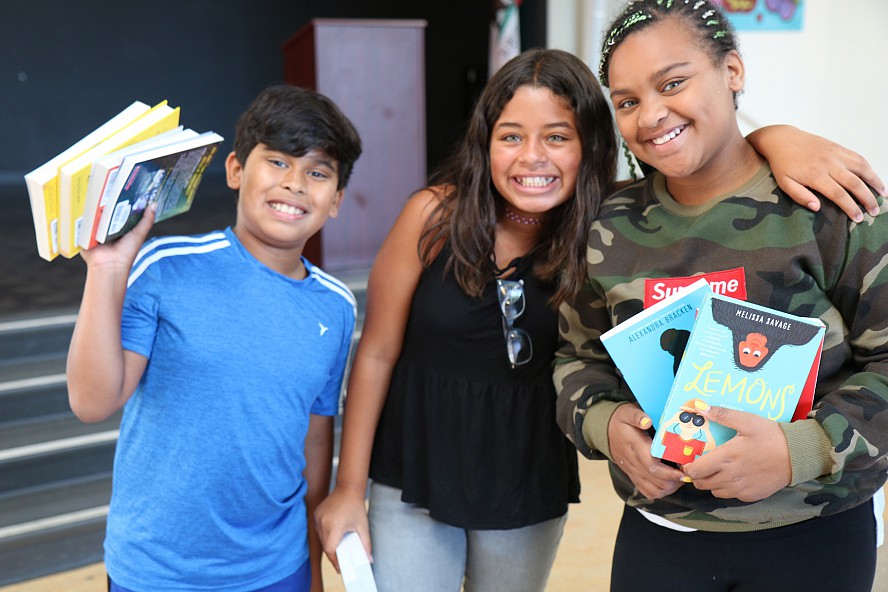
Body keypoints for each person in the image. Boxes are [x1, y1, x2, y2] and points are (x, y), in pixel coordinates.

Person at [315, 46, 886, 592]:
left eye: (557, 138)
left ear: (590, 144)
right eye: (510, 137)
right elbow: (378, 352)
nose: (532, 157)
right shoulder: (435, 215)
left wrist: (775, 137)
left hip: (526, 469)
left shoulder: (608, 226)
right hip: (419, 463)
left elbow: (710, 155)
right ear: (483, 143)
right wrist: (346, 487)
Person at [554, 2, 888, 591]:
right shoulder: (606, 227)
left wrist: (799, 450)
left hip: (814, 534)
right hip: (661, 537)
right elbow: (575, 361)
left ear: (732, 71)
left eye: (673, 82)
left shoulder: (828, 205)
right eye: (627, 101)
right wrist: (608, 426)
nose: (651, 114)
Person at [66, 84, 362, 592]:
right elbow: (91, 402)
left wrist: (310, 569)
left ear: (335, 201)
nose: (295, 184)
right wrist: (109, 268)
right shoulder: (166, 268)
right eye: (277, 162)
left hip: (276, 567)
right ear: (235, 171)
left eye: (317, 173)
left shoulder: (335, 307)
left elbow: (315, 438)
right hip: (157, 570)